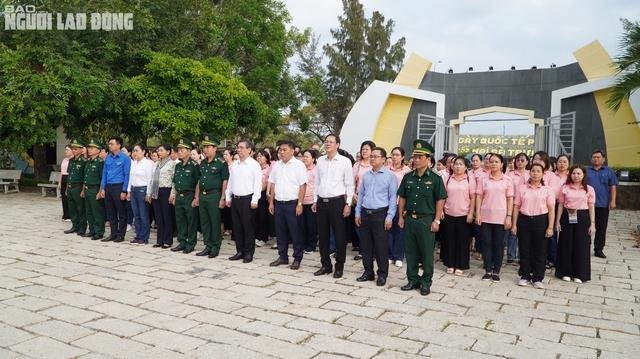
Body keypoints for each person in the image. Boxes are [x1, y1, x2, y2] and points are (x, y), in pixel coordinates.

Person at [397, 140, 446, 296]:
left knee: (426, 253)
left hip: (426, 219)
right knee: (410, 252)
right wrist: (400, 216)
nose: (416, 160)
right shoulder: (407, 177)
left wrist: (437, 220)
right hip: (410, 218)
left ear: (428, 159)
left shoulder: (436, 178)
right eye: (415, 157)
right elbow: (402, 198)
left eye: (420, 157)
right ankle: (412, 279)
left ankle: (425, 282)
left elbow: (440, 200)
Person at [312, 134, 355, 278]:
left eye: (331, 142)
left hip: (337, 203)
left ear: (337, 144)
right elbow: (317, 182)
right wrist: (314, 200)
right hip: (321, 202)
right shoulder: (320, 161)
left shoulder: (345, 162)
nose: (327, 144)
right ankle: (325, 264)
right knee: (322, 235)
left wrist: (348, 204)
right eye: (326, 141)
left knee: (339, 235)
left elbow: (349, 184)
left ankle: (339, 265)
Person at [355, 147, 397, 286]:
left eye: (376, 156)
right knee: (366, 245)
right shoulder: (366, 175)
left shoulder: (390, 176)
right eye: (371, 156)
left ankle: (382, 274)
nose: (372, 159)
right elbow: (361, 195)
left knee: (380, 246)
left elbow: (392, 198)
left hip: (381, 214)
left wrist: (389, 217)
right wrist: (357, 212)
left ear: (384, 159)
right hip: (366, 213)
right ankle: (368, 272)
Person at [512, 163, 555, 289]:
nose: (535, 173)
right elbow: (516, 207)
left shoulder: (547, 190)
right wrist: (514, 224)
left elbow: (551, 209)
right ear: (529, 173)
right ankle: (524, 275)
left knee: (540, 250)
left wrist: (550, 226)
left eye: (538, 171)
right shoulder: (522, 189)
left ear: (543, 174)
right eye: (533, 171)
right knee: (524, 249)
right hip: (524, 219)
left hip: (541, 220)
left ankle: (537, 277)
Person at [268, 140, 308, 270]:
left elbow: (303, 185)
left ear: (292, 151)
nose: (281, 152)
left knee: (295, 231)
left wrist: (300, 204)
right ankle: (283, 256)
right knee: (280, 232)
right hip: (279, 203)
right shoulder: (277, 165)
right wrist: (271, 202)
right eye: (280, 150)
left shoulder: (299, 165)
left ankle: (297, 258)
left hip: (292, 204)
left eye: (284, 149)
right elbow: (273, 183)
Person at [475, 153, 514, 283]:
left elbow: (510, 199)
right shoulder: (483, 179)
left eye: (496, 162)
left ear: (502, 164)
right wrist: (478, 213)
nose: (493, 164)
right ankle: (488, 270)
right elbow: (479, 197)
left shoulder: (507, 180)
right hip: (486, 216)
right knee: (487, 244)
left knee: (499, 244)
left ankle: (496, 271)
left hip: (501, 217)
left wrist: (509, 216)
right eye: (491, 161)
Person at [555, 164, 596, 283]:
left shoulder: (589, 189)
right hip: (567, 216)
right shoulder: (564, 188)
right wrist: (557, 221)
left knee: (581, 245)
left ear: (583, 175)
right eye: (573, 173)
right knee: (565, 244)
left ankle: (580, 273)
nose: (576, 176)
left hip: (583, 217)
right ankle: (565, 272)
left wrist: (592, 223)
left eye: (578, 173)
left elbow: (591, 207)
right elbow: (561, 206)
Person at [225, 140, 262, 263]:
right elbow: (231, 181)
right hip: (236, 199)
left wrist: (255, 199)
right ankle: (239, 251)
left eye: (242, 147)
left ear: (249, 150)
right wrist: (228, 197)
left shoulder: (254, 165)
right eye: (238, 147)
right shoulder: (235, 164)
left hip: (248, 199)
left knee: (248, 227)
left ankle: (249, 252)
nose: (239, 150)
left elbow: (257, 184)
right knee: (237, 227)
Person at [441, 156, 476, 276]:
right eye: (456, 164)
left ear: (466, 167)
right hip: (449, 213)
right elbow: (442, 196)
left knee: (462, 241)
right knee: (449, 239)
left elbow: (473, 198)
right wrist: (440, 210)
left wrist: (471, 213)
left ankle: (460, 265)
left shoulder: (470, 180)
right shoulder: (447, 179)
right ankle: (450, 264)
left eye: (461, 164)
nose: (458, 166)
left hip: (464, 214)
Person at [195, 134, 229, 258]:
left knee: (215, 222)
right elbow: (199, 181)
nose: (205, 149)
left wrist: (223, 198)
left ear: (215, 148)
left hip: (215, 195)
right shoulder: (203, 163)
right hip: (203, 195)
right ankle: (207, 245)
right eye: (204, 147)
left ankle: (215, 246)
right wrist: (197, 197)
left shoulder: (221, 163)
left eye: (208, 147)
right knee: (205, 222)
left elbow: (225, 180)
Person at [169, 138, 200, 254]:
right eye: (179, 150)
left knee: (191, 221)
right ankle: (182, 242)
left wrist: (196, 198)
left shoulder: (194, 165)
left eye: (182, 150)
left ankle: (191, 243)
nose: (180, 152)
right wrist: (175, 196)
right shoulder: (178, 166)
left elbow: (198, 182)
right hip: (180, 196)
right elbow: (176, 182)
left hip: (189, 195)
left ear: (189, 151)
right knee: (180, 220)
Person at [586, 150, 618, 258]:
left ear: (603, 159)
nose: (596, 159)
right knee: (586, 227)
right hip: (587, 205)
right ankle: (585, 248)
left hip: (602, 204)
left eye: (598, 157)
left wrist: (613, 201)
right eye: (594, 157)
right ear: (591, 159)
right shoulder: (586, 171)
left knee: (601, 228)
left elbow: (613, 187)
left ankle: (598, 249)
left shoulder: (609, 171)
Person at [100, 136, 131, 243]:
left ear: (118, 145)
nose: (110, 146)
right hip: (109, 186)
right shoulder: (108, 157)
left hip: (119, 186)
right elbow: (104, 173)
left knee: (121, 212)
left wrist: (124, 190)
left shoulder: (125, 158)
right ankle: (113, 233)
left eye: (112, 144)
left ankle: (121, 235)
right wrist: (103, 188)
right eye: (109, 144)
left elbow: (127, 175)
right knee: (111, 212)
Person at [146, 143, 176, 249]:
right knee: (158, 217)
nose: (159, 152)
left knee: (166, 216)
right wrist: (149, 193)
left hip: (166, 190)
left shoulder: (172, 164)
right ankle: (160, 240)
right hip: (155, 191)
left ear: (168, 152)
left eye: (162, 150)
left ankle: (167, 240)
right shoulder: (156, 164)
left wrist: (172, 194)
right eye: (158, 150)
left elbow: (174, 181)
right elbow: (152, 179)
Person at [387, 146, 411, 268]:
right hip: (386, 204)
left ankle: (398, 256)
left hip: (400, 204)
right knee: (388, 230)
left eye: (397, 155)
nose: (394, 157)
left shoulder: (407, 171)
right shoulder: (386, 169)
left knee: (400, 230)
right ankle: (389, 255)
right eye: (393, 154)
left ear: (402, 157)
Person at [352, 141, 375, 257]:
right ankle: (363, 250)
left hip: (372, 199)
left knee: (372, 226)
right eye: (363, 149)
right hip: (359, 198)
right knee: (359, 224)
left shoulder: (374, 165)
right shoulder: (357, 165)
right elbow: (351, 182)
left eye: (367, 149)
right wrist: (353, 194)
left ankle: (372, 251)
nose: (364, 151)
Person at [505, 152, 529, 264]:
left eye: (522, 160)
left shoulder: (530, 174)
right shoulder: (510, 175)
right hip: (512, 204)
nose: (520, 162)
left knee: (523, 231)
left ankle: (521, 256)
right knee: (512, 230)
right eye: (518, 160)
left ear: (527, 162)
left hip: (525, 205)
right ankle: (511, 254)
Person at [127, 143, 153, 245]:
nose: (135, 153)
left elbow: (149, 179)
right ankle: (137, 235)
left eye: (137, 150)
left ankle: (144, 237)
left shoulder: (147, 164)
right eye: (134, 151)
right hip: (133, 189)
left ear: (143, 152)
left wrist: (148, 193)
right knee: (136, 215)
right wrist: (129, 191)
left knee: (144, 215)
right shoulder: (133, 163)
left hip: (143, 190)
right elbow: (130, 178)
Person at [83, 138, 105, 241]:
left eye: (92, 148)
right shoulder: (88, 162)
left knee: (97, 212)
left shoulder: (100, 162)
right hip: (87, 189)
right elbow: (85, 177)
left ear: (98, 150)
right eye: (89, 148)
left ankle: (99, 231)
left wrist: (100, 191)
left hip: (95, 189)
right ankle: (91, 229)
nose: (89, 149)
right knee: (89, 211)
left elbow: (102, 179)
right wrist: (83, 189)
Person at [64, 138, 87, 236]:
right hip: (70, 186)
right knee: (72, 208)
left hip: (78, 186)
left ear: (81, 150)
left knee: (80, 208)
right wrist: (66, 188)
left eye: (76, 149)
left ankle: (82, 227)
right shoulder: (71, 160)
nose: (74, 150)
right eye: (73, 148)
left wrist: (83, 190)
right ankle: (75, 225)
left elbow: (85, 177)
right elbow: (69, 175)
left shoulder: (84, 161)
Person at [301, 149, 318, 254]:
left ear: (313, 159)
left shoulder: (316, 170)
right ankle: (303, 243)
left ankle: (311, 245)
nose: (305, 158)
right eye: (304, 156)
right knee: (302, 224)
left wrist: (316, 200)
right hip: (301, 200)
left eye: (307, 157)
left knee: (311, 224)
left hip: (311, 200)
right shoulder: (300, 169)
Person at [255, 149, 272, 247]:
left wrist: (259, 190)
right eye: (258, 156)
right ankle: (256, 236)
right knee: (255, 216)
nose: (259, 157)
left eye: (261, 156)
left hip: (262, 193)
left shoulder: (269, 169)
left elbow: (268, 182)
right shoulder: (255, 168)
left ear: (266, 158)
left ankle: (263, 237)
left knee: (262, 216)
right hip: (253, 194)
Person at [59, 144, 73, 221]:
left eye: (67, 150)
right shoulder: (64, 160)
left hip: (69, 178)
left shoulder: (73, 160)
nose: (66, 151)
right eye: (65, 150)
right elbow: (61, 172)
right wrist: (59, 182)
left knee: (69, 197)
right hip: (63, 178)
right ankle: (65, 214)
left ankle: (70, 214)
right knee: (63, 197)